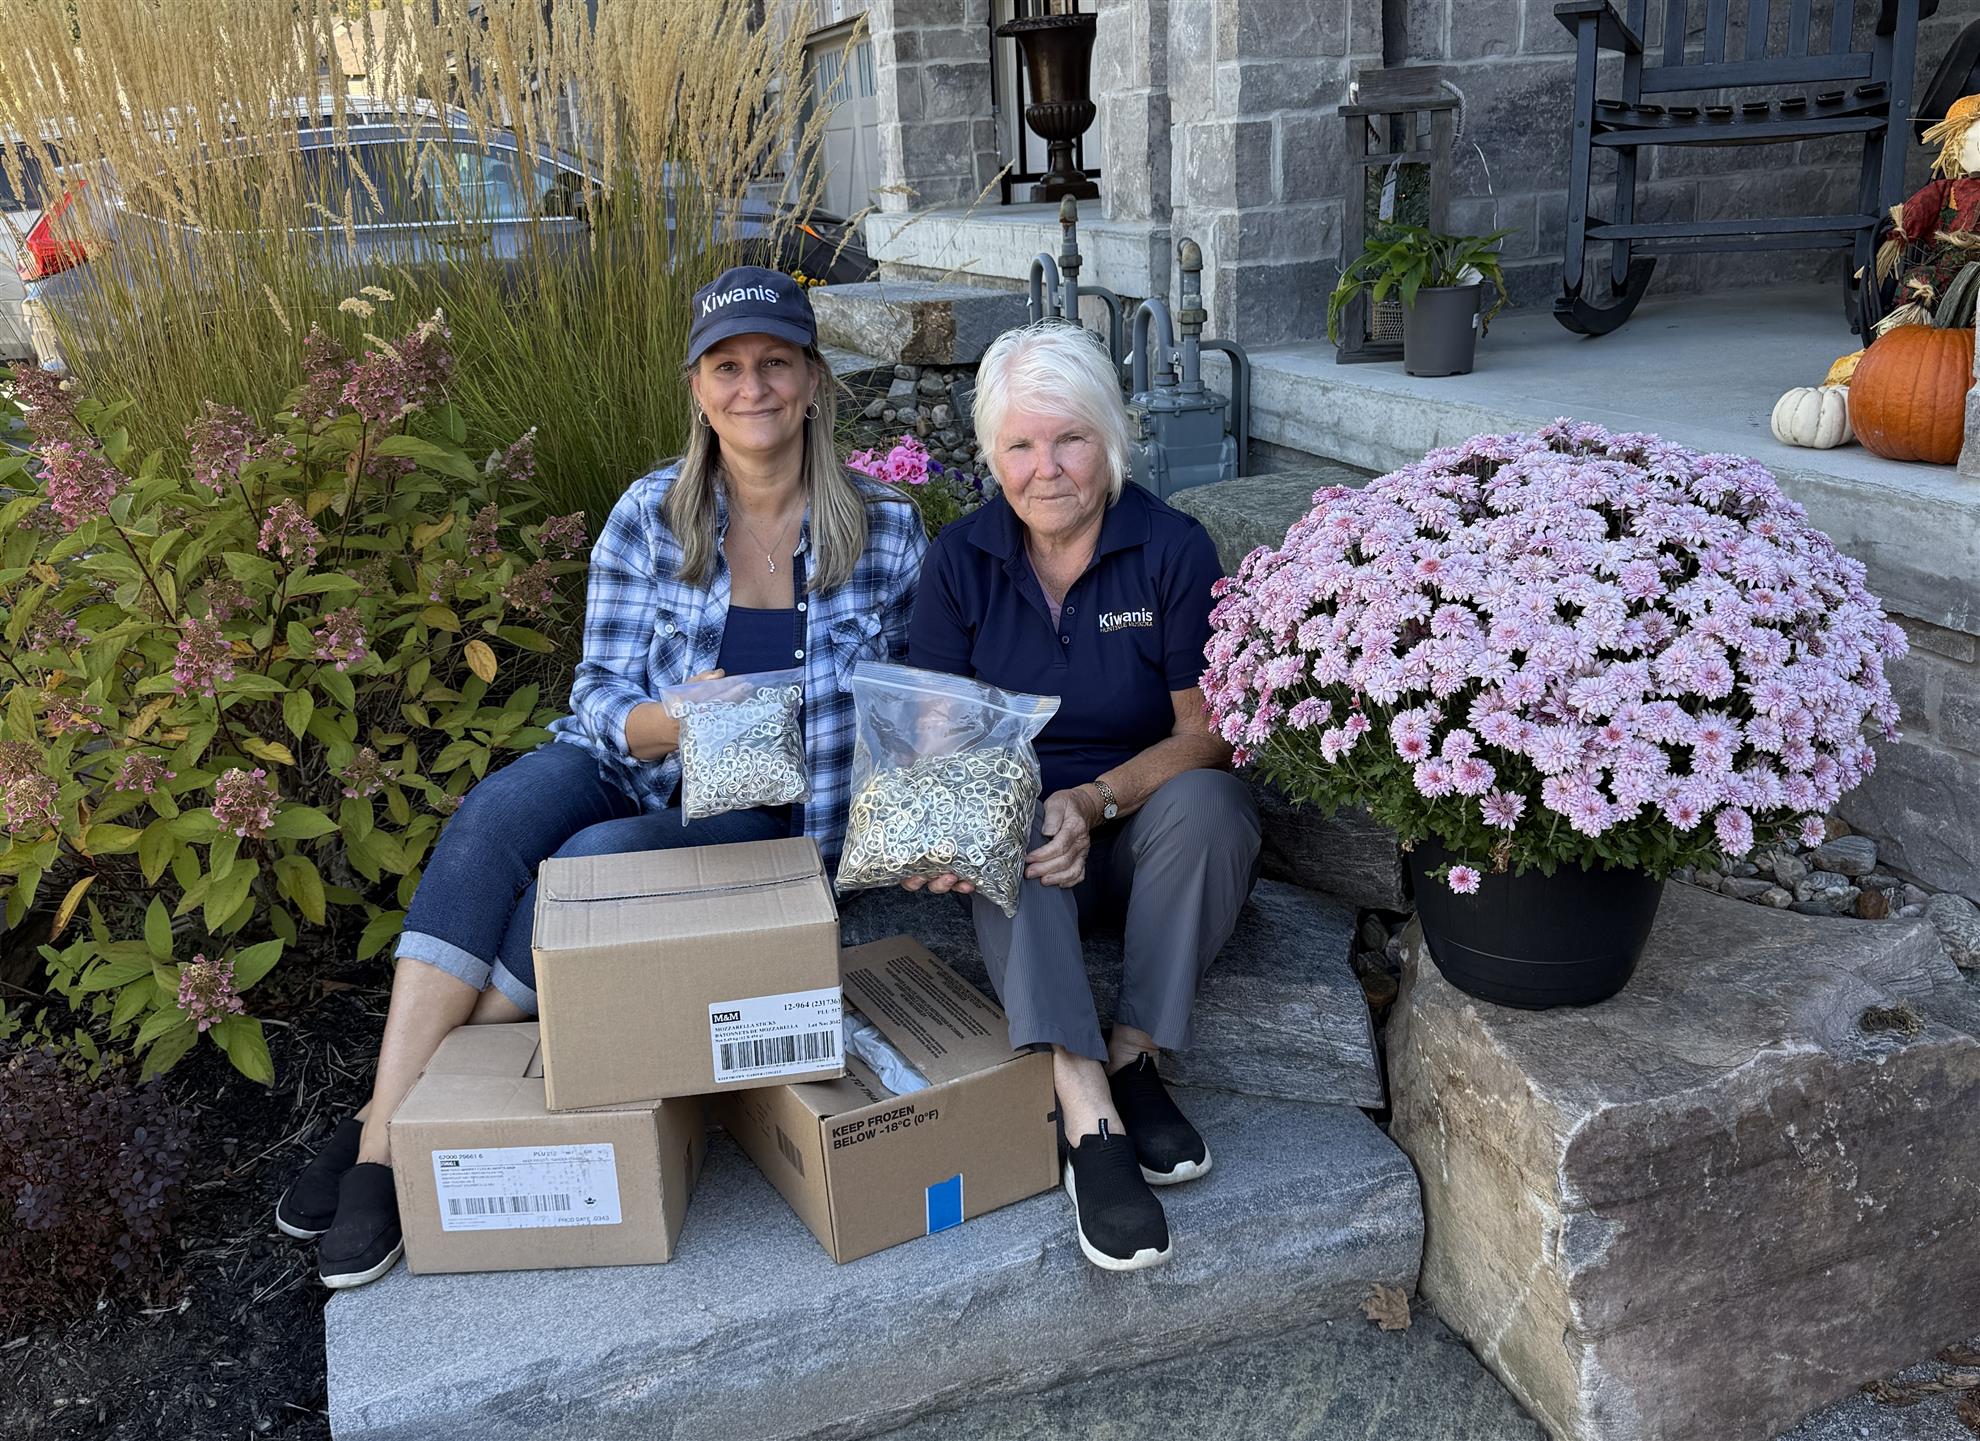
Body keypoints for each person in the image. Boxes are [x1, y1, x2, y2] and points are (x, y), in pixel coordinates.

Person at [276, 267, 926, 1288]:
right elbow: (598, 690)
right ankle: (387, 1138)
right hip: (638, 764)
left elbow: (910, 700)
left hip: (770, 822)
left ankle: (381, 1126)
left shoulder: (884, 528)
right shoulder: (649, 513)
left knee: (590, 865)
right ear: (697, 389)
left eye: (775, 362)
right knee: (495, 816)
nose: (752, 386)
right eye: (726, 367)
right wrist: (668, 721)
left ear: (813, 381)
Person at [905, 319, 1259, 1272]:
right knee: (1005, 814)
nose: (1046, 468)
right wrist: (954, 829)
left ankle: (1137, 1054)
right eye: (1020, 444)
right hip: (1027, 851)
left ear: (1111, 439)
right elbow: (938, 736)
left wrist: (1097, 799)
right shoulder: (961, 561)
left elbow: (1210, 733)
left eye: (1070, 439)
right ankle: (1086, 1101)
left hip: (1146, 836)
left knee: (1214, 805)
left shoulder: (1172, 549)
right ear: (992, 455)